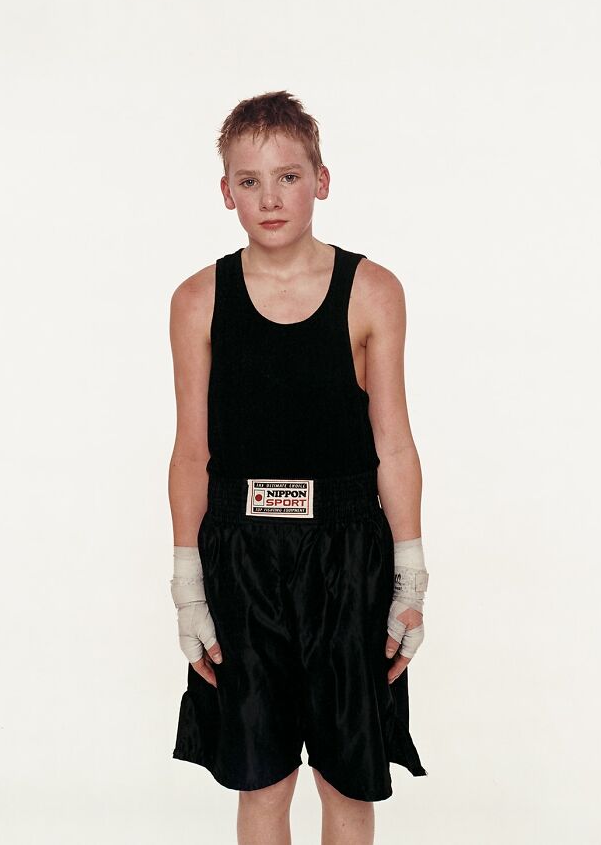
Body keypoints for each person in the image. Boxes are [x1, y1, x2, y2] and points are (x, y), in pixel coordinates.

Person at [168, 90, 429, 845]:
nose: (269, 197)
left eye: (287, 176)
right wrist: (188, 581)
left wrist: (408, 574)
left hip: (347, 551)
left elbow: (394, 444)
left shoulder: (372, 290)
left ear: (321, 179)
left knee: (347, 778)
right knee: (261, 779)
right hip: (242, 553)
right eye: (248, 181)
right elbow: (191, 450)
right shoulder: (198, 300)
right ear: (226, 192)